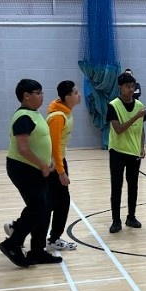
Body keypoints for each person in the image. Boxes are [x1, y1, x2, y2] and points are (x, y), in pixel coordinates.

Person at [0, 79, 62, 267]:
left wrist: (48, 161)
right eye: (38, 93)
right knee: (37, 208)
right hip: (23, 169)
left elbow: (39, 141)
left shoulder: (34, 114)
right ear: (26, 96)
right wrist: (43, 165)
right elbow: (23, 148)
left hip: (35, 168)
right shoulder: (23, 117)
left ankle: (37, 251)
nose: (42, 96)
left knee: (45, 207)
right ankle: (12, 244)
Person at [108, 71, 146, 233]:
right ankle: (116, 221)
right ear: (120, 87)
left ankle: (131, 217)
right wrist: (136, 117)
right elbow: (118, 129)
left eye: (132, 86)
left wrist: (142, 147)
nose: (131, 89)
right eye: (127, 86)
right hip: (117, 151)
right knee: (116, 186)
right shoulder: (113, 105)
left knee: (133, 186)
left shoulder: (139, 105)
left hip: (134, 152)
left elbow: (142, 129)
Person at [44, 80, 81, 251]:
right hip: (53, 164)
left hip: (57, 162)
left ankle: (20, 228)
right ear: (67, 97)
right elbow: (54, 147)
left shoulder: (65, 112)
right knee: (59, 202)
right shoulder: (58, 117)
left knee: (54, 202)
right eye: (75, 93)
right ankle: (52, 239)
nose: (79, 95)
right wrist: (61, 171)